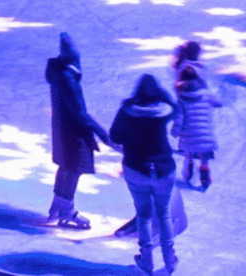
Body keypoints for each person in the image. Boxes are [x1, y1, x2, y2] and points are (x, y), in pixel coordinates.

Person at [109, 74, 179, 275]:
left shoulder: (127, 111)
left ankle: (146, 260)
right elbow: (174, 107)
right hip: (164, 169)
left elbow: (115, 136)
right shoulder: (163, 112)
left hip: (136, 168)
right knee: (163, 212)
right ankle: (170, 258)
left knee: (144, 214)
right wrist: (163, 94)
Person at [44, 31, 110, 229]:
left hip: (63, 127)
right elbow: (80, 112)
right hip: (73, 132)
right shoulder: (67, 78)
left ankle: (57, 206)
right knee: (73, 169)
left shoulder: (58, 71)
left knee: (65, 167)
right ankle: (67, 211)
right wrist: (102, 134)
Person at [171, 63, 222, 190]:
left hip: (188, 136)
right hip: (205, 134)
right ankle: (204, 172)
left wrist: (175, 132)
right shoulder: (206, 94)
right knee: (204, 155)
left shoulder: (182, 98)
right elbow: (218, 103)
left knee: (188, 152)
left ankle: (188, 169)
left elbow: (179, 119)